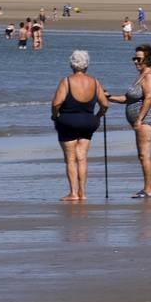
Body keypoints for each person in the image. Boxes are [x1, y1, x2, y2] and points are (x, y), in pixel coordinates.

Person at [50, 49, 110, 202]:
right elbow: (105, 105)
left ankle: (73, 193)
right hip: (88, 122)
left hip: (68, 122)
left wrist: (55, 116)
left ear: (72, 64)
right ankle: (83, 193)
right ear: (86, 65)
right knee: (82, 158)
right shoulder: (95, 82)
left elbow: (56, 103)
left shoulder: (67, 81)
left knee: (71, 159)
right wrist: (97, 116)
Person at [108, 44, 151, 199]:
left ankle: (149, 189)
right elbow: (127, 99)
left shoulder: (149, 76)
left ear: (147, 59)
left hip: (146, 121)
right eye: (134, 58)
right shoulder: (141, 76)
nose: (135, 61)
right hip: (140, 121)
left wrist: (139, 119)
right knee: (141, 155)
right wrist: (108, 97)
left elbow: (149, 98)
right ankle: (147, 188)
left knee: (144, 155)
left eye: (139, 59)